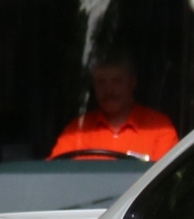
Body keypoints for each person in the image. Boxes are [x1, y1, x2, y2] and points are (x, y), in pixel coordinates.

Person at [50, 54, 179, 161]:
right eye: (101, 82)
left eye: (117, 81)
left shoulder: (159, 128)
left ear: (132, 83)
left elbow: (167, 185)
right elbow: (55, 174)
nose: (109, 91)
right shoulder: (78, 130)